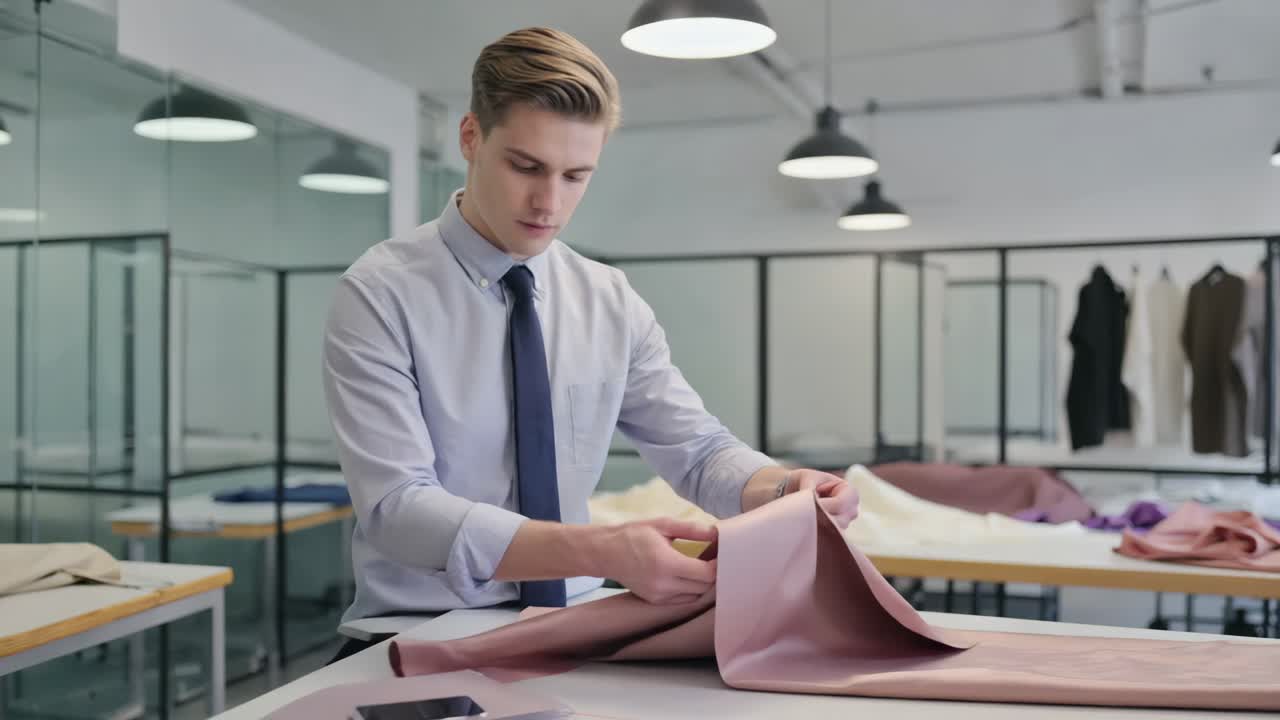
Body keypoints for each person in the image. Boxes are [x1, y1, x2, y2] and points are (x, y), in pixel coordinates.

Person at [321, 26, 858, 662]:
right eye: (527, 167)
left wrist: (784, 487)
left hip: (576, 627)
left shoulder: (609, 299)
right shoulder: (380, 293)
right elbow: (397, 506)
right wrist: (601, 549)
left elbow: (697, 450)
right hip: (415, 631)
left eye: (577, 176)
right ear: (470, 138)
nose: (550, 203)